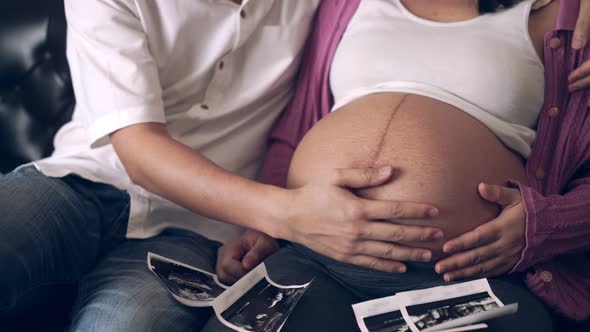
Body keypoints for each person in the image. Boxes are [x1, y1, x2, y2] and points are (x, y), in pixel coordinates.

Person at [0, 0, 451, 330]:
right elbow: (139, 150)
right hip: (83, 181)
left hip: (202, 232)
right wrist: (289, 216)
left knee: (125, 325)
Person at [212, 0, 590, 331]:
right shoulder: (344, 5)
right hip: (317, 256)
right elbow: (294, 130)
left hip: (460, 278)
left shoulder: (571, 17)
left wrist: (547, 224)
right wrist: (263, 226)